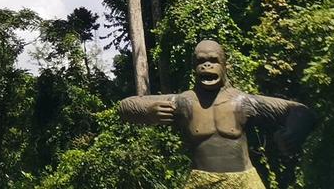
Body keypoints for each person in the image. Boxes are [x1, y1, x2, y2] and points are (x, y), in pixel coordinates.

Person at [118, 40, 315, 188]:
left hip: (244, 180)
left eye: (213, 60)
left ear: (224, 66)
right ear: (194, 68)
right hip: (202, 180)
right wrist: (149, 111)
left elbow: (299, 111)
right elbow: (126, 106)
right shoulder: (185, 102)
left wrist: (292, 133)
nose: (207, 66)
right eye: (201, 61)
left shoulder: (241, 101)